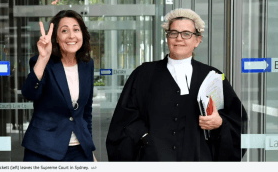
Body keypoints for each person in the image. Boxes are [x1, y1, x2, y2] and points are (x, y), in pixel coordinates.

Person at [106, 8, 247, 161]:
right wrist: (145, 137)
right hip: (154, 160)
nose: (179, 38)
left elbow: (236, 119)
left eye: (186, 34)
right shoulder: (143, 74)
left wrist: (219, 122)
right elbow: (125, 118)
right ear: (167, 38)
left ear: (197, 40)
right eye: (173, 33)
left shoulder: (213, 76)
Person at [21, 10, 96, 161]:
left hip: (79, 150)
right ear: (56, 37)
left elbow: (86, 111)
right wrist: (43, 58)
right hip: (43, 149)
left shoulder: (87, 64)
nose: (71, 36)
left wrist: (89, 149)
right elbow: (29, 93)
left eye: (76, 29)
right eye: (64, 31)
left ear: (82, 34)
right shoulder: (43, 62)